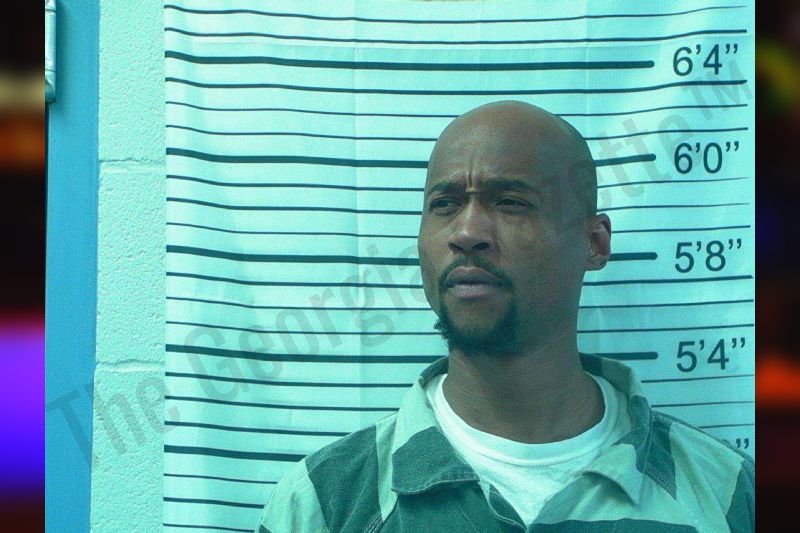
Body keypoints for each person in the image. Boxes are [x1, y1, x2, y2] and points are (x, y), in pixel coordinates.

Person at [256, 101, 754, 532]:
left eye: (511, 203)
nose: (467, 232)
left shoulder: (727, 492)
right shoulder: (327, 502)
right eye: (444, 204)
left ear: (594, 243)